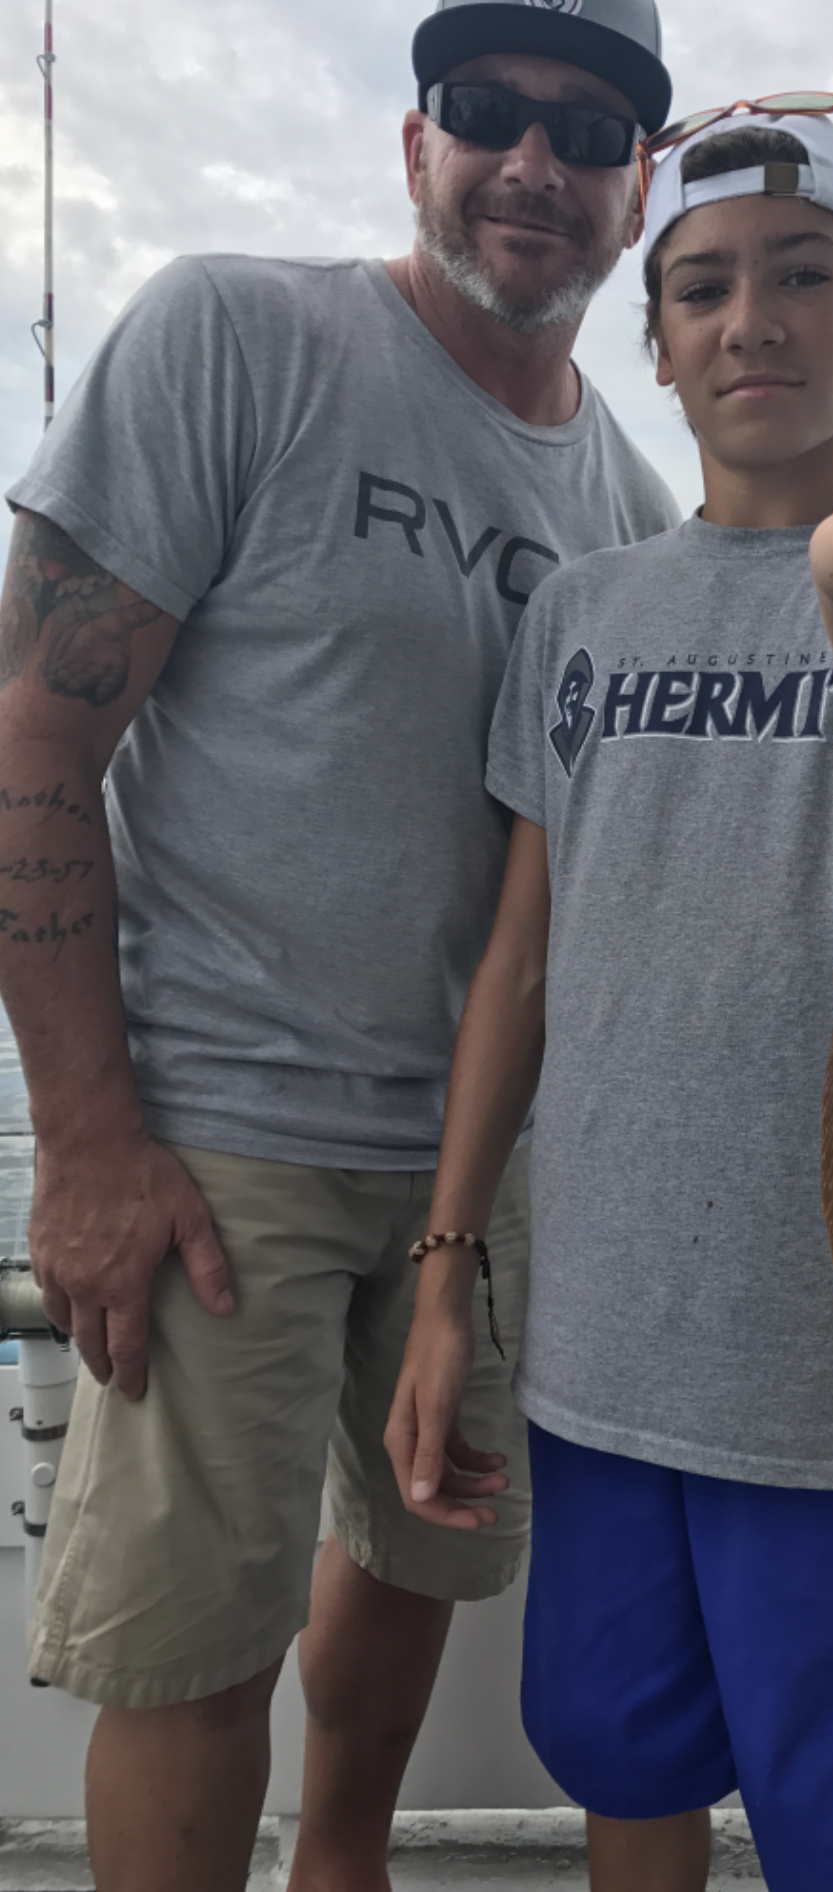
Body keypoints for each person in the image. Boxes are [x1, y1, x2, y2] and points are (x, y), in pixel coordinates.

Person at [0, 1, 679, 1886]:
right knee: (192, 1644)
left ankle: (345, 1867)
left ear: (633, 205)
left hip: (484, 1164)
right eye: (489, 111)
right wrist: (86, 1142)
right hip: (218, 1136)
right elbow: (37, 729)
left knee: (421, 1554)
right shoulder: (240, 335)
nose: (535, 159)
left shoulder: (628, 511)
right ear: (416, 145)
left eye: (591, 132)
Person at [385, 99, 833, 1892]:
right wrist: (450, 1283)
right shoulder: (584, 615)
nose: (752, 316)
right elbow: (519, 964)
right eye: (703, 288)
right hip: (598, 1357)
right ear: (658, 345)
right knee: (628, 1773)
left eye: (805, 274)